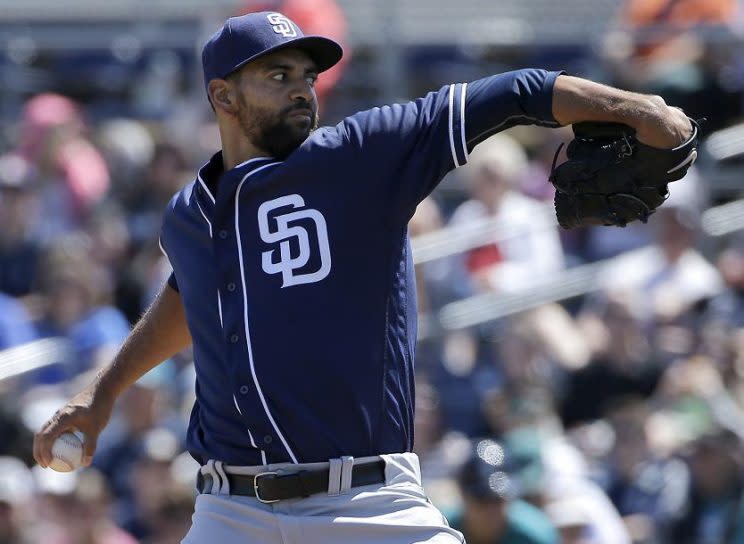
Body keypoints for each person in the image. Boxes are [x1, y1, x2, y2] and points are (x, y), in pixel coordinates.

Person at [33, 10, 694, 543]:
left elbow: (512, 93)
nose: (302, 86)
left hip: (367, 504)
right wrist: (105, 392)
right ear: (222, 95)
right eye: (279, 74)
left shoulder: (360, 155)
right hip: (231, 511)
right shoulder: (190, 214)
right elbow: (192, 297)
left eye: (308, 75)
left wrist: (639, 109)